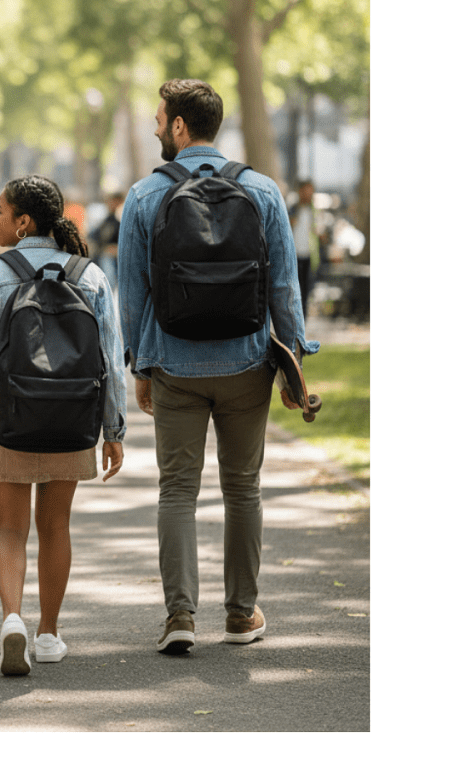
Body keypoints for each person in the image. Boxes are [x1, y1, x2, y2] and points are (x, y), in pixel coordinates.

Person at [118, 79, 318, 655]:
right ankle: (239, 613)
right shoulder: (262, 190)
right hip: (247, 361)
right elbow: (284, 282)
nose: (156, 127)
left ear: (180, 126)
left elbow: (133, 292)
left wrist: (141, 363)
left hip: (176, 363)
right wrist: (294, 362)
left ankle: (180, 615)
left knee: (177, 491)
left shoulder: (144, 197)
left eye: (160, 119)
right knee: (243, 489)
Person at [0, 174, 126, 675]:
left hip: (7, 416)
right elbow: (111, 361)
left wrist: (0, 383)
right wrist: (113, 430)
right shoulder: (89, 276)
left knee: (9, 528)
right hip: (72, 415)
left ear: (23, 221)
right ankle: (49, 633)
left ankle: (13, 619)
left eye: (2, 211)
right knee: (56, 526)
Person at [289, 180, 319, 319]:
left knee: (306, 290)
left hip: (309, 255)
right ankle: (295, 317)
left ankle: (303, 319)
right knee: (294, 289)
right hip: (294, 255)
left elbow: (318, 233)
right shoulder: (293, 208)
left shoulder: (314, 211)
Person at [89, 192, 124, 290]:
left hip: (113, 259)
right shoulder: (107, 220)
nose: (109, 204)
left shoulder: (120, 219)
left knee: (106, 260)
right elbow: (95, 237)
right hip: (101, 255)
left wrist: (115, 249)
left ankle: (108, 288)